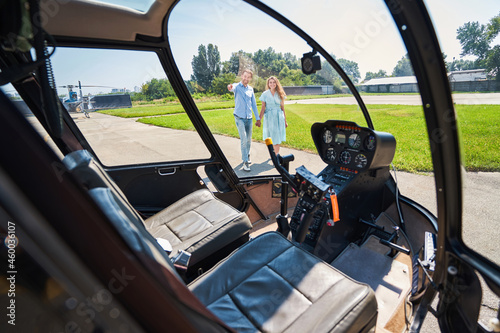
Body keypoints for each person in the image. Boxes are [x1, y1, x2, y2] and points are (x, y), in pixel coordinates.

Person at [227, 69, 260, 171]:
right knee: (244, 140)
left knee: (249, 140)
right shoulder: (236, 87)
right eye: (245, 76)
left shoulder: (250, 89)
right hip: (239, 117)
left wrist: (257, 118)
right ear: (242, 76)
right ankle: (245, 162)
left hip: (249, 118)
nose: (246, 78)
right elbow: (231, 88)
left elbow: (254, 105)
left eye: (248, 77)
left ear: (250, 78)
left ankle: (247, 155)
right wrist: (229, 87)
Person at [256, 76, 287, 154]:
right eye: (270, 82)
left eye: (274, 82)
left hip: (278, 117)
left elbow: (282, 108)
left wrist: (285, 121)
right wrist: (259, 119)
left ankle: (275, 157)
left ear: (276, 83)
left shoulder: (280, 93)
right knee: (271, 138)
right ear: (268, 84)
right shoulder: (265, 94)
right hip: (269, 117)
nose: (272, 84)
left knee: (277, 138)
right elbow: (263, 108)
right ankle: (273, 155)